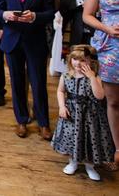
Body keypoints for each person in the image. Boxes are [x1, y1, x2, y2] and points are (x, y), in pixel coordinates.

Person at [0, 0, 55, 140]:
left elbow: (51, 12)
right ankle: (21, 120)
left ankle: (44, 123)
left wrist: (35, 16)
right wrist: (5, 15)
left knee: (38, 83)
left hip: (35, 40)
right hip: (12, 39)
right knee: (17, 82)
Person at [51, 45, 114, 181]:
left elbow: (99, 96)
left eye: (83, 60)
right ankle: (72, 162)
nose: (78, 63)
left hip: (90, 115)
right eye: (75, 59)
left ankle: (89, 166)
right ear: (70, 60)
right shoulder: (66, 76)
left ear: (91, 61)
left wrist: (91, 77)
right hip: (72, 114)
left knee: (90, 139)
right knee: (72, 137)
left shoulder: (95, 77)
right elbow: (60, 91)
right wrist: (62, 106)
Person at [82, 0, 119, 164]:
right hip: (110, 46)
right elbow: (87, 15)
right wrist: (107, 28)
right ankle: (116, 148)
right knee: (112, 100)